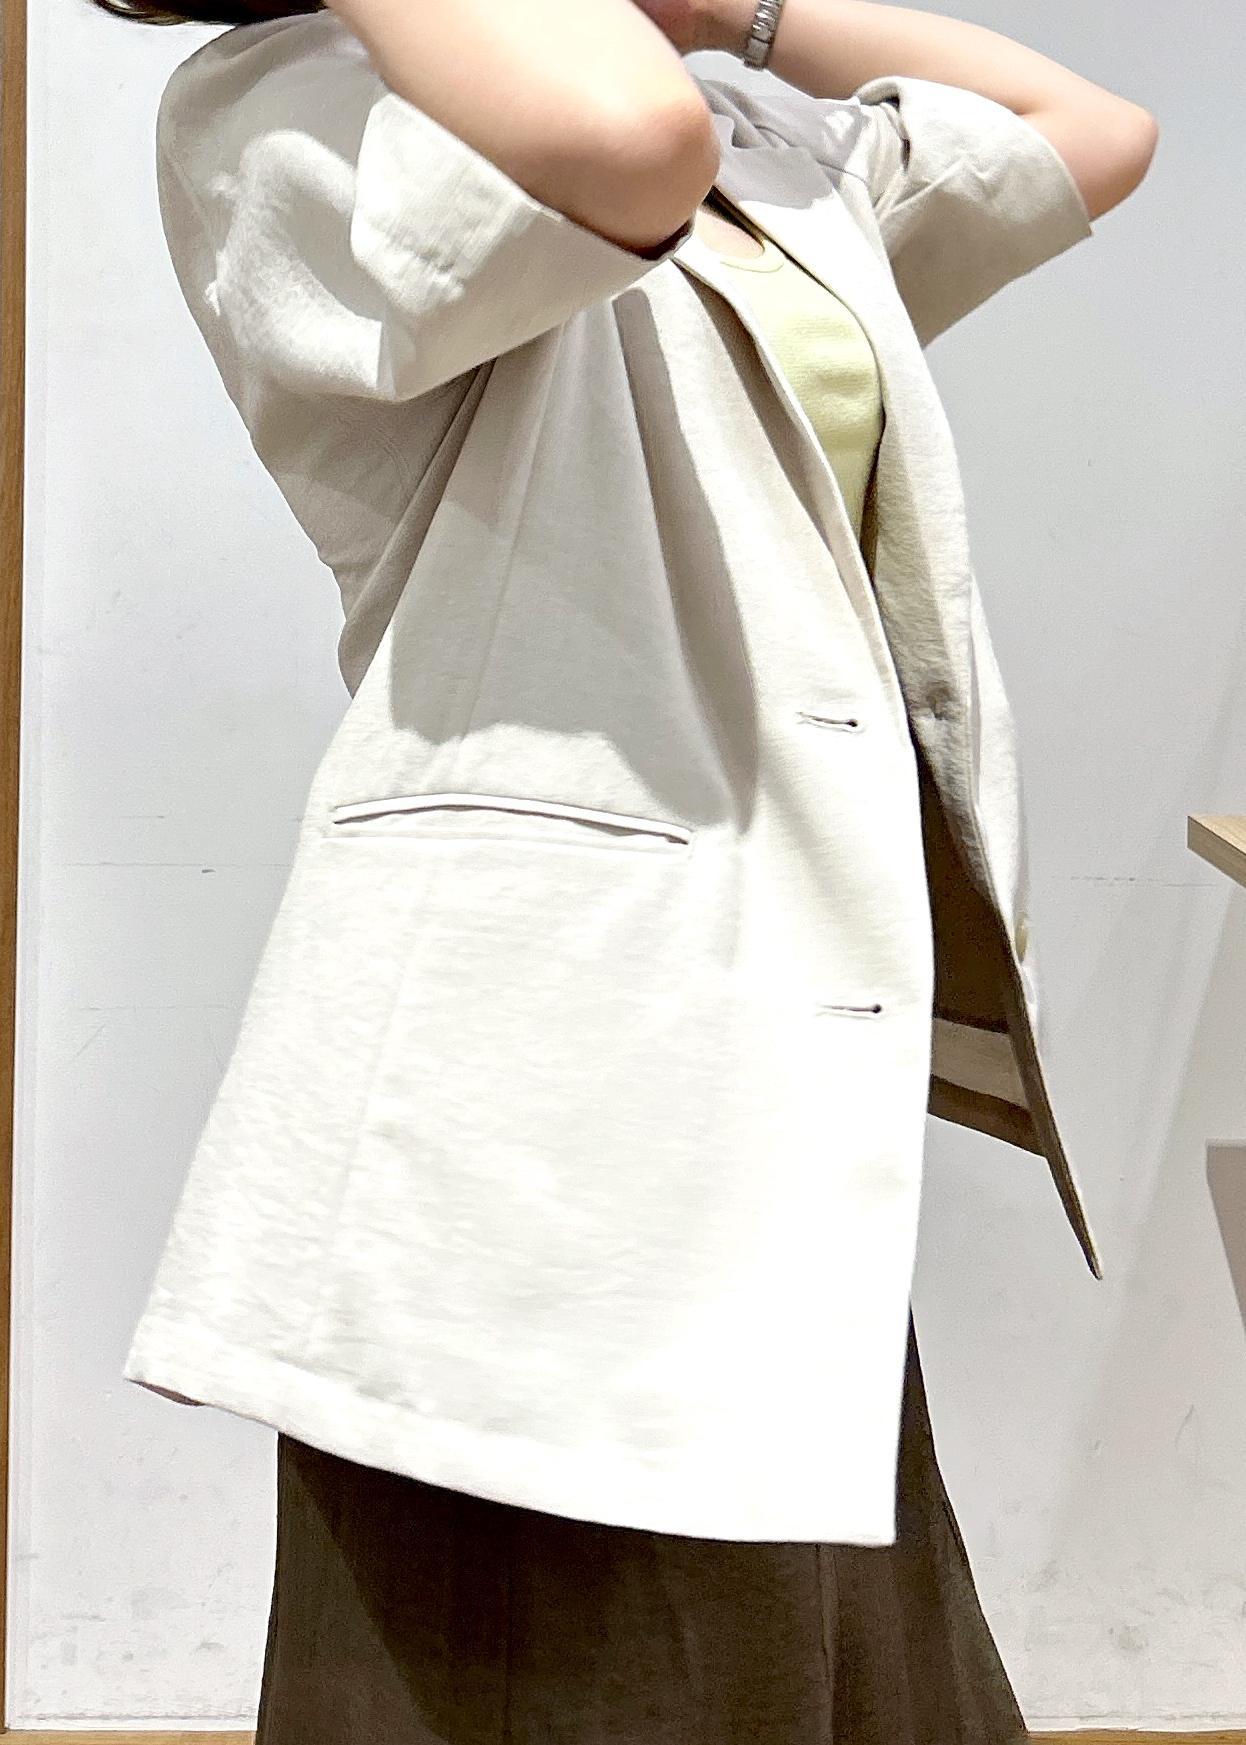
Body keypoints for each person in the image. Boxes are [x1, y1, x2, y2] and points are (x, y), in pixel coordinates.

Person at [97, 0, 1157, 1736]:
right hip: (548, 1085)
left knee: (799, 1632)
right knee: (571, 1647)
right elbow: (621, 150)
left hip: (768, 1045)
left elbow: (1088, 132)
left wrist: (731, 17)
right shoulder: (290, 110)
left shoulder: (737, 135)